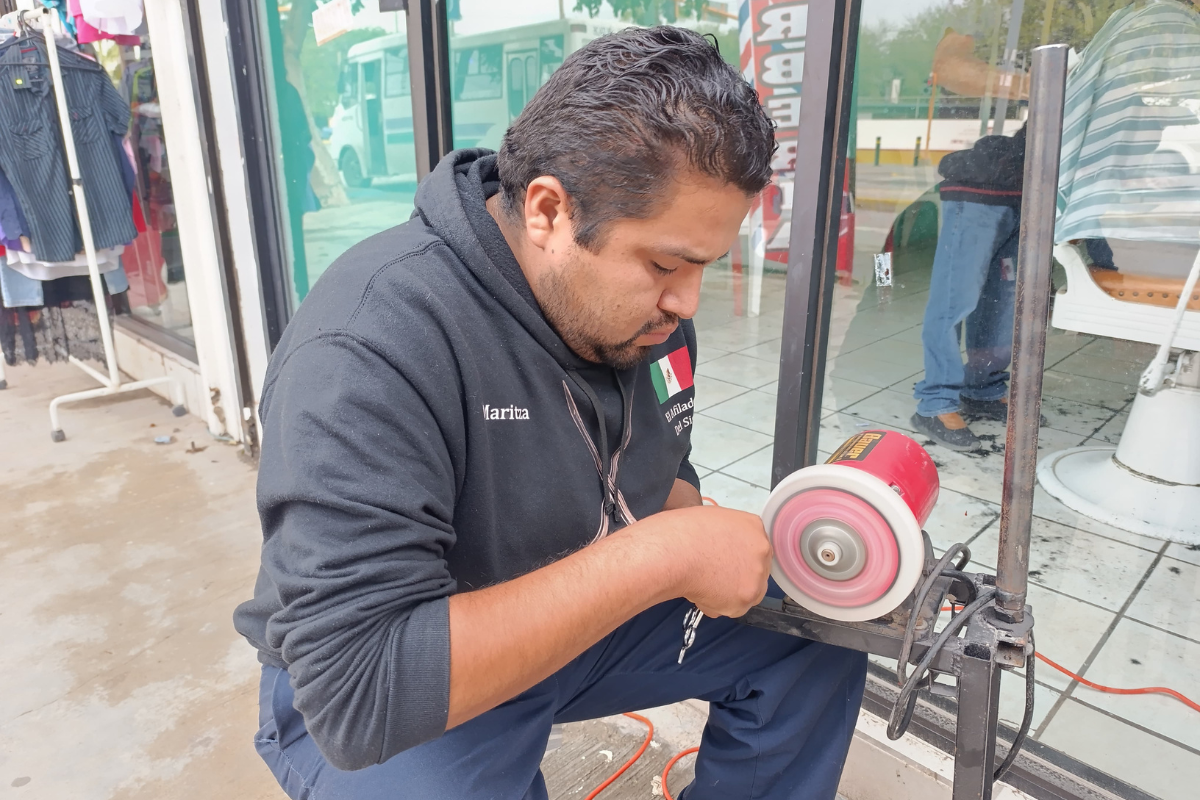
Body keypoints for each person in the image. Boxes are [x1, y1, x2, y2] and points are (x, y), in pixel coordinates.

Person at [233, 27, 867, 800]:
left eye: (704, 267)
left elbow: (658, 473)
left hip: (580, 620)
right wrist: (664, 556)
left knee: (812, 636)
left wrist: (707, 532)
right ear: (547, 211)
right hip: (403, 677)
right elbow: (362, 694)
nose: (687, 303)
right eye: (665, 264)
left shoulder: (646, 319)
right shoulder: (371, 341)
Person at [910, 122, 1032, 451]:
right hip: (980, 198)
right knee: (955, 301)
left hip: (1021, 199)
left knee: (1002, 304)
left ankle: (982, 389)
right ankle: (935, 404)